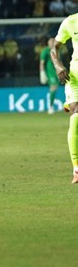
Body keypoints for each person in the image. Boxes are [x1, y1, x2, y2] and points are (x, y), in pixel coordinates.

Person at [50, 15, 78, 183]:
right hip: (75, 78)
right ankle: (77, 168)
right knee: (76, 117)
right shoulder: (70, 22)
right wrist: (58, 65)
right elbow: (54, 47)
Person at [40, 37, 60, 114]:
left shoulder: (57, 51)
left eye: (54, 41)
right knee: (53, 87)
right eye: (51, 42)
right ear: (48, 43)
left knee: (55, 88)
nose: (52, 43)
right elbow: (42, 63)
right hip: (50, 72)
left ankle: (52, 106)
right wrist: (42, 72)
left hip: (56, 72)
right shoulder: (45, 51)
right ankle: (50, 107)